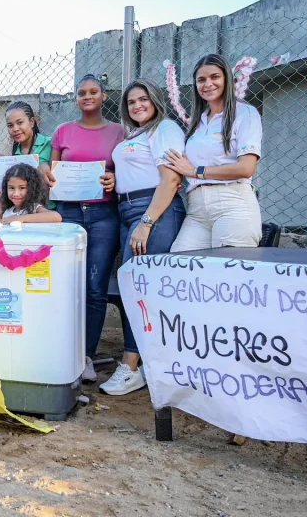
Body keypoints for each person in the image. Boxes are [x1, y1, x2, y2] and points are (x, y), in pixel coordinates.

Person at [100, 79, 187, 396]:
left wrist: (147, 222)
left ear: (155, 100)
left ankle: (132, 366)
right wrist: (115, 178)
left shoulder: (164, 128)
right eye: (132, 101)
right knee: (133, 287)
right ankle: (145, 364)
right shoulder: (135, 134)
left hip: (153, 210)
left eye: (143, 99)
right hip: (127, 210)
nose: (137, 105)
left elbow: (171, 179)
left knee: (140, 290)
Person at [48, 74, 124, 382]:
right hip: (68, 213)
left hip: (104, 213)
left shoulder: (119, 131)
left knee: (95, 288)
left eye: (93, 92)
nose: (87, 96)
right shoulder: (63, 131)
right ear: (75, 98)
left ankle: (87, 356)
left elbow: (126, 170)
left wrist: (114, 179)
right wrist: (47, 173)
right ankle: (61, 351)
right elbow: (51, 171)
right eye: (81, 93)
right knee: (65, 284)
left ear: (104, 96)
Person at [165, 54, 263, 251]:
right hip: (197, 209)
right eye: (201, 80)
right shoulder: (198, 122)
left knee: (227, 275)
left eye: (215, 77)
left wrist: (195, 171)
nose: (208, 84)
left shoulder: (244, 113)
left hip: (233, 203)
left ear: (226, 78)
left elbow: (246, 168)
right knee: (181, 267)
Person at [0, 101, 53, 218]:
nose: (15, 129)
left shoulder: (50, 144)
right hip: (24, 212)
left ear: (32, 121)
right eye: (10, 125)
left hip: (48, 210)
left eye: (20, 123)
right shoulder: (13, 155)